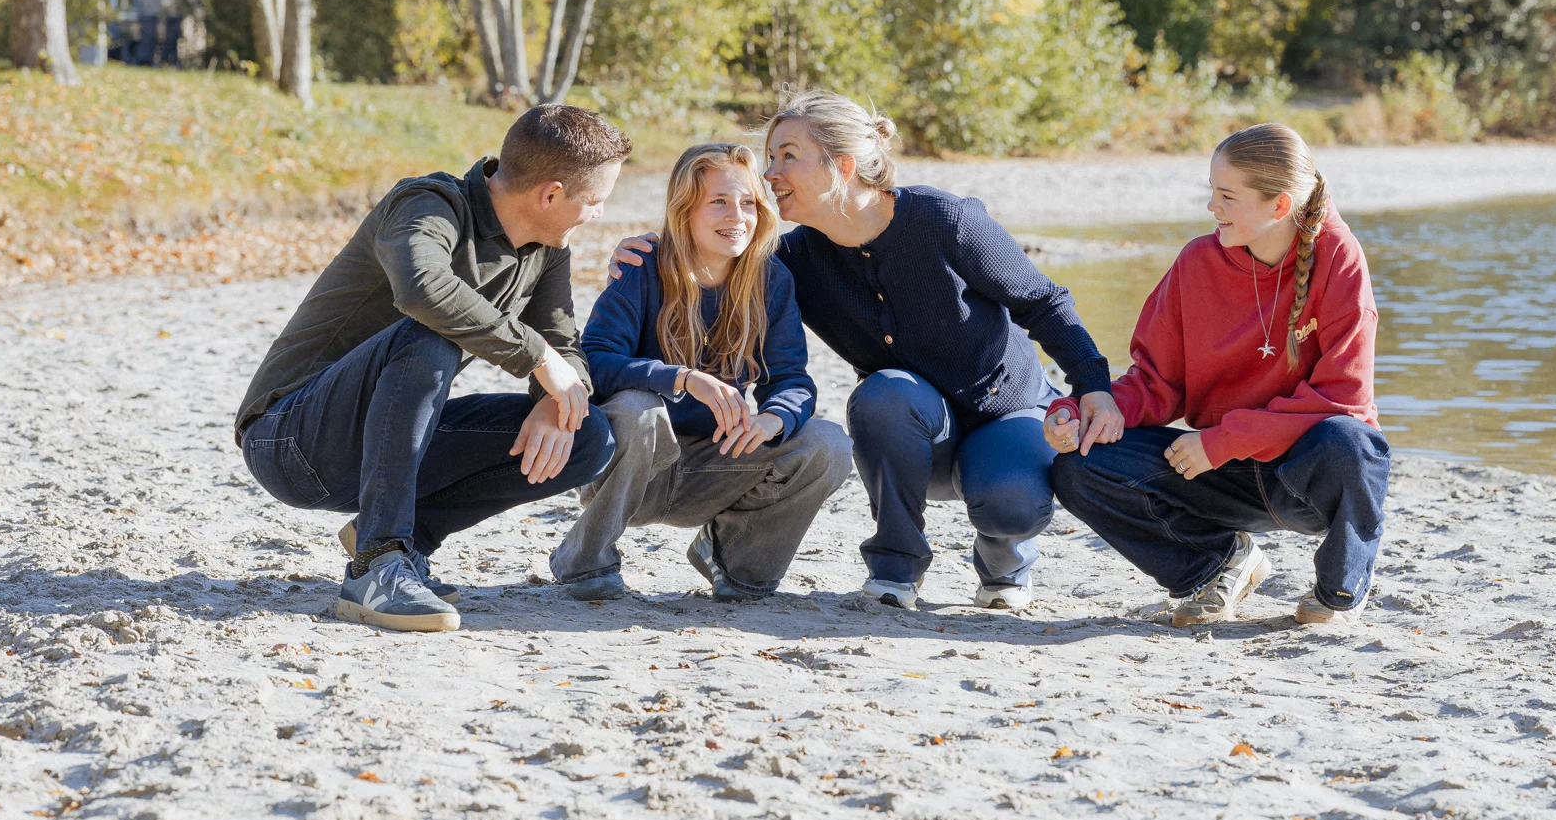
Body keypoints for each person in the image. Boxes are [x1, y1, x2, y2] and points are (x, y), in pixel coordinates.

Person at [612, 91, 1122, 611]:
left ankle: (1004, 561)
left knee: (1010, 503)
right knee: (884, 393)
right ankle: (895, 569)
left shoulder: (945, 221)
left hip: (1008, 412)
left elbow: (1044, 302)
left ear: (843, 166)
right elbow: (714, 261)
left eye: (788, 155)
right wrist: (652, 254)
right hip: (911, 431)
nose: (771, 173)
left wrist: (1094, 386)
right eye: (771, 157)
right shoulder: (792, 262)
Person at [235, 105, 630, 633]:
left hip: (390, 442)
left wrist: (553, 400)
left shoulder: (547, 249)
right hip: (291, 442)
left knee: (587, 435)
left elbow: (563, 343)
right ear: (551, 195)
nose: (598, 214)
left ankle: (405, 542)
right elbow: (423, 290)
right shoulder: (426, 205)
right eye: (596, 200)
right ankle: (376, 562)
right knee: (431, 331)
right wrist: (537, 358)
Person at [1047, 122, 1389, 627]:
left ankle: (1340, 588)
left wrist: (1223, 440)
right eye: (1212, 191)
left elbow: (1345, 396)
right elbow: (1157, 382)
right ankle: (1218, 563)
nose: (1212, 207)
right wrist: (1087, 411)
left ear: (1279, 205)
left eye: (1227, 196)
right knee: (1079, 466)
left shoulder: (1339, 257)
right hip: (1218, 470)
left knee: (1352, 444)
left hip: (1302, 476)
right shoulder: (1196, 263)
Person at [549, 143, 852, 601]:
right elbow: (596, 362)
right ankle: (585, 559)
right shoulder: (642, 266)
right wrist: (681, 378)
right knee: (637, 408)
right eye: (719, 202)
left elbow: (791, 379)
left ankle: (733, 560)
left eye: (748, 203)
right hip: (631, 466)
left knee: (827, 444)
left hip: (716, 464)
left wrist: (774, 418)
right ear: (685, 208)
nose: (737, 216)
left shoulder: (770, 278)